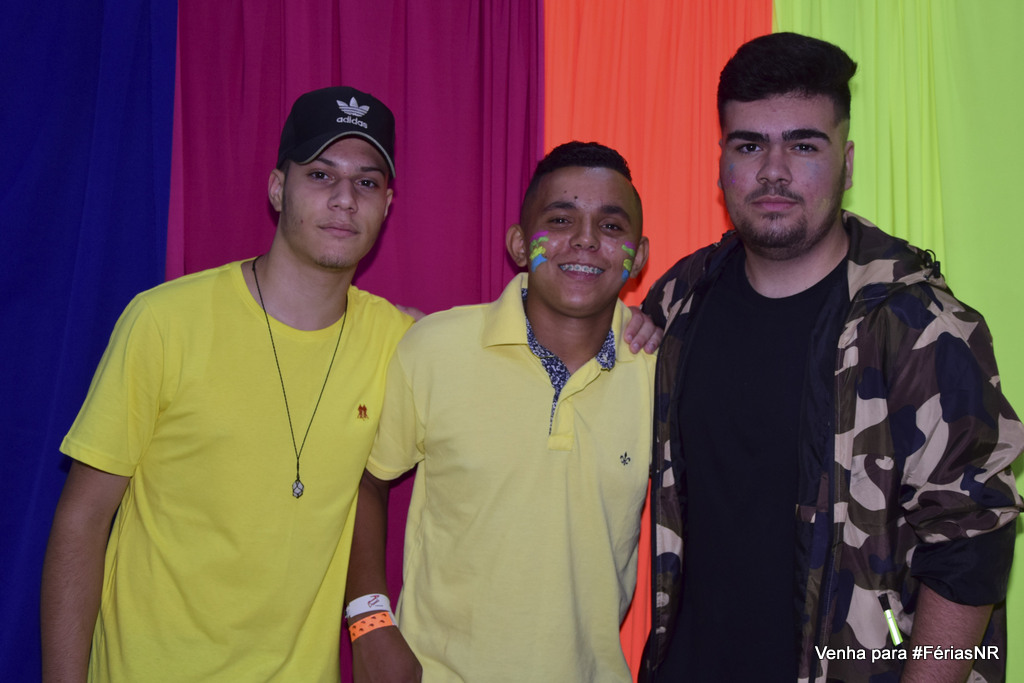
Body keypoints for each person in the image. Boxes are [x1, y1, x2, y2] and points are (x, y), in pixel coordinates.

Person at [641, 33, 1023, 683]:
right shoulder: (680, 300)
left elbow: (971, 545)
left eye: (804, 145)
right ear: (722, 163)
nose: (774, 171)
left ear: (846, 163)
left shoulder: (920, 326)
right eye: (749, 145)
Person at [40, 86, 415, 682]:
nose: (344, 199)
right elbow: (82, 520)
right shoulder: (165, 321)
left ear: (387, 204)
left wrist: (610, 320)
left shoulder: (399, 343)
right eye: (321, 175)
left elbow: (510, 351)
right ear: (278, 188)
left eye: (366, 182)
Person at [345, 142, 657, 682]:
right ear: (517, 243)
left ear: (640, 255)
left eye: (611, 226)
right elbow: (366, 481)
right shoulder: (435, 347)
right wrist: (369, 623)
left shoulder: (663, 374)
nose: (585, 239)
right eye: (560, 220)